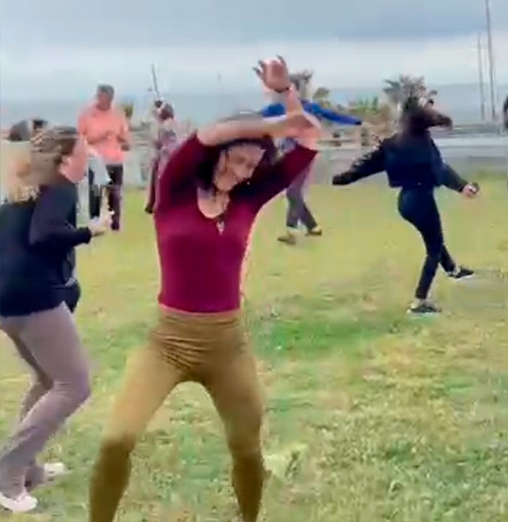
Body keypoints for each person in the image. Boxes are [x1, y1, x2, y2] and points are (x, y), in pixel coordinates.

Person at [88, 58, 320, 522]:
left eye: (253, 165)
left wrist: (286, 93)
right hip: (169, 342)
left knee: (248, 450)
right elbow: (211, 132)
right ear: (220, 154)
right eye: (238, 159)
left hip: (227, 344)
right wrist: (271, 124)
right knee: (116, 440)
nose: (244, 170)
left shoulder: (249, 198)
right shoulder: (174, 186)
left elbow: (309, 135)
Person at [0, 126, 108, 513]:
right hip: (33, 300)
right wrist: (88, 232)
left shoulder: (23, 191)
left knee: (47, 381)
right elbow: (44, 235)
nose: (89, 154)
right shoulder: (59, 188)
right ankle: (9, 472)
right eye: (84, 149)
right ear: (65, 159)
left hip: (8, 303)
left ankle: (25, 468)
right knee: (74, 384)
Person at [331, 97, 476, 314]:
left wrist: (343, 178)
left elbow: (367, 166)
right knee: (434, 247)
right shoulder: (422, 145)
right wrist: (462, 186)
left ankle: (453, 270)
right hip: (421, 201)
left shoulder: (395, 143)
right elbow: (441, 170)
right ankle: (419, 302)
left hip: (406, 203)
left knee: (433, 237)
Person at [264, 78, 363, 245]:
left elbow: (331, 114)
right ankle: (313, 227)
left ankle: (291, 231)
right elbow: (258, 116)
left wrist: (355, 121)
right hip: (287, 154)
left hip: (304, 154)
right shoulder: (279, 108)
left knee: (292, 192)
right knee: (292, 193)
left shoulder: (309, 107)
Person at [77, 84, 130, 231]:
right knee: (95, 191)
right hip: (96, 158)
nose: (101, 100)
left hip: (115, 159)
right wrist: (100, 136)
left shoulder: (118, 114)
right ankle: (94, 221)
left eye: (105, 98)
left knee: (115, 192)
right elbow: (81, 138)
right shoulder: (87, 114)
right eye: (99, 97)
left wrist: (121, 137)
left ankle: (115, 222)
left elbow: (126, 138)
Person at [145, 102, 180, 214]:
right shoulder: (176, 124)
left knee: (160, 180)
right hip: (174, 155)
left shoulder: (164, 125)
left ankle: (158, 204)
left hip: (165, 156)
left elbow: (157, 141)